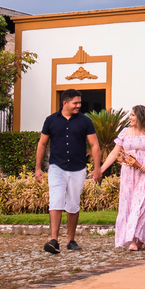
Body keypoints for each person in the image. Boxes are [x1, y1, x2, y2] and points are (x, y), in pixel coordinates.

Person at [35, 89, 102, 254]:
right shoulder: (50, 120)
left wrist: (97, 167)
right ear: (64, 103)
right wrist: (37, 168)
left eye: (79, 102)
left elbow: (94, 144)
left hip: (78, 168)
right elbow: (42, 144)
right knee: (56, 200)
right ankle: (54, 240)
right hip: (56, 167)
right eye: (75, 103)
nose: (79, 105)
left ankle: (71, 240)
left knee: (73, 203)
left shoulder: (85, 121)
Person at [101, 105, 145, 250]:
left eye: (133, 115)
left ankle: (141, 235)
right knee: (129, 204)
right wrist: (102, 168)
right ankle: (132, 241)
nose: (130, 118)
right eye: (130, 115)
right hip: (129, 173)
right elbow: (114, 154)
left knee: (142, 204)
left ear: (141, 117)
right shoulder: (125, 132)